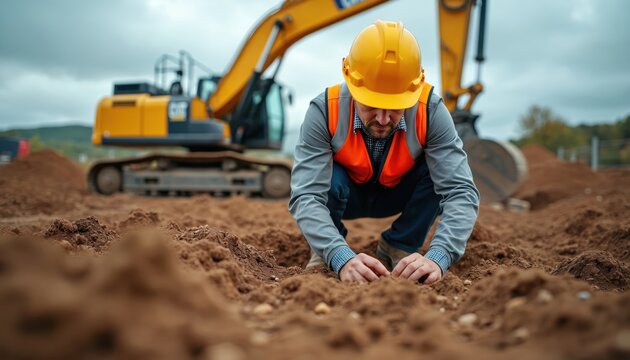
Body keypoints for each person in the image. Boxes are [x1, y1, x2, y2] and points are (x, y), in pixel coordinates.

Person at [288, 20, 480, 284]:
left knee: (438, 174)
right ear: (352, 85)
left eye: (394, 106)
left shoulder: (430, 111)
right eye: (372, 104)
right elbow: (306, 194)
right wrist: (339, 255)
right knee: (325, 179)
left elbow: (460, 190)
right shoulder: (324, 110)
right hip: (345, 195)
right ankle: (325, 248)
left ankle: (400, 245)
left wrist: (439, 256)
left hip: (400, 192)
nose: (382, 118)